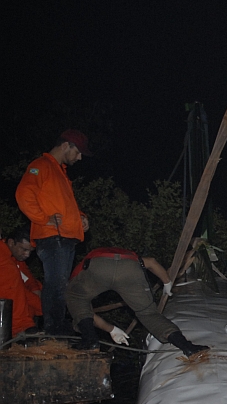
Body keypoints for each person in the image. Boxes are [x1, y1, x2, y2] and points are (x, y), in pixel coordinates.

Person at [15, 130, 93, 334]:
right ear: (66, 145)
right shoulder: (41, 166)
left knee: (61, 284)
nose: (80, 157)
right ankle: (54, 328)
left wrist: (81, 217)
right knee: (56, 283)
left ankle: (56, 326)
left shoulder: (60, 172)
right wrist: (42, 218)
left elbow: (66, 206)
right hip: (52, 236)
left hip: (66, 237)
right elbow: (23, 194)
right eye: (78, 152)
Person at [65, 247, 208, 356]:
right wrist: (167, 283)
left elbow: (85, 312)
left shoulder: (86, 263)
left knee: (76, 299)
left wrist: (112, 330)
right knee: (148, 314)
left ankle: (90, 341)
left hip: (98, 265)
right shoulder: (131, 256)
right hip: (130, 269)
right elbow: (151, 262)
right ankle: (187, 347)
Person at [1, 227, 43, 336]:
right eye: (24, 249)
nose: (27, 255)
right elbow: (11, 293)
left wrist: (35, 289)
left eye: (30, 251)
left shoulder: (13, 257)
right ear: (11, 243)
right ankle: (21, 329)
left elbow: (26, 277)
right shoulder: (5, 263)